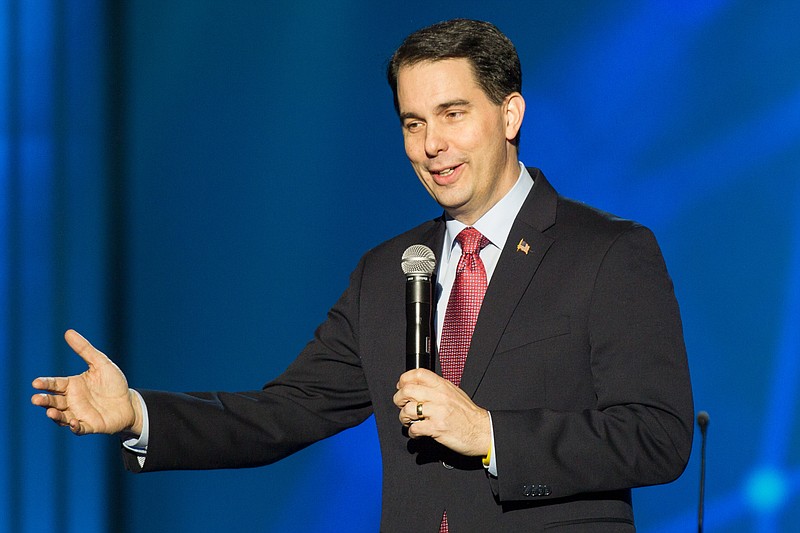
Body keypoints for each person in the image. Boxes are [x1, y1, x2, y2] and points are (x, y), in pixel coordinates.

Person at [32, 18, 693, 531]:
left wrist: (490, 434)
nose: (430, 144)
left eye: (453, 114)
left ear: (511, 115)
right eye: (413, 122)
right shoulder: (389, 272)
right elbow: (282, 412)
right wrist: (137, 412)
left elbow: (659, 436)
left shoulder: (607, 252)